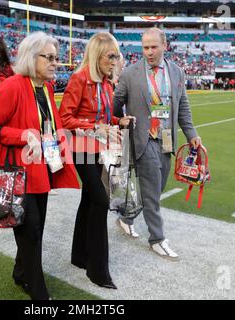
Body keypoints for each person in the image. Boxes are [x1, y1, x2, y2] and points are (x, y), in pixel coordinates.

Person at [0, 32, 79, 300]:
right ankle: (38, 289)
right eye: (48, 57)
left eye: (55, 58)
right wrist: (23, 134)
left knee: (35, 226)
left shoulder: (46, 88)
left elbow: (50, 125)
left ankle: (20, 272)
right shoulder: (12, 85)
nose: (54, 63)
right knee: (31, 228)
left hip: (41, 168)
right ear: (30, 57)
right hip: (16, 171)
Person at [113, 28, 202, 260]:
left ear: (165, 46)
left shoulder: (177, 72)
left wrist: (191, 133)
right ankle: (157, 238)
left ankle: (126, 217)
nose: (149, 52)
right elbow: (114, 105)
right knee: (152, 191)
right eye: (145, 47)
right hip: (143, 140)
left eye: (153, 47)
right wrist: (118, 124)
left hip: (167, 139)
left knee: (157, 187)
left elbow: (182, 107)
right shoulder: (130, 73)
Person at [59, 32, 133, 289]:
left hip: (99, 149)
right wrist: (94, 127)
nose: (115, 60)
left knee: (89, 200)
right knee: (100, 200)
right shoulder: (79, 79)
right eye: (111, 55)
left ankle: (79, 256)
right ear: (97, 55)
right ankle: (97, 270)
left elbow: (104, 117)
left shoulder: (105, 82)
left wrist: (118, 122)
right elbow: (64, 119)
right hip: (81, 149)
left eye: (117, 55)